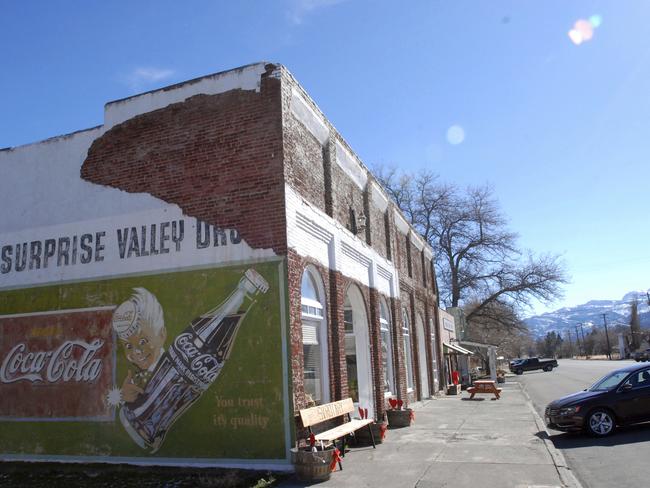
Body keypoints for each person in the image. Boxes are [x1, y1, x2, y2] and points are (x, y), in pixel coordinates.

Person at [111, 288, 167, 403]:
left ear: (162, 335)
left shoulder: (174, 370)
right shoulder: (134, 380)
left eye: (143, 341)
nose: (136, 352)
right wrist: (126, 399)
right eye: (128, 346)